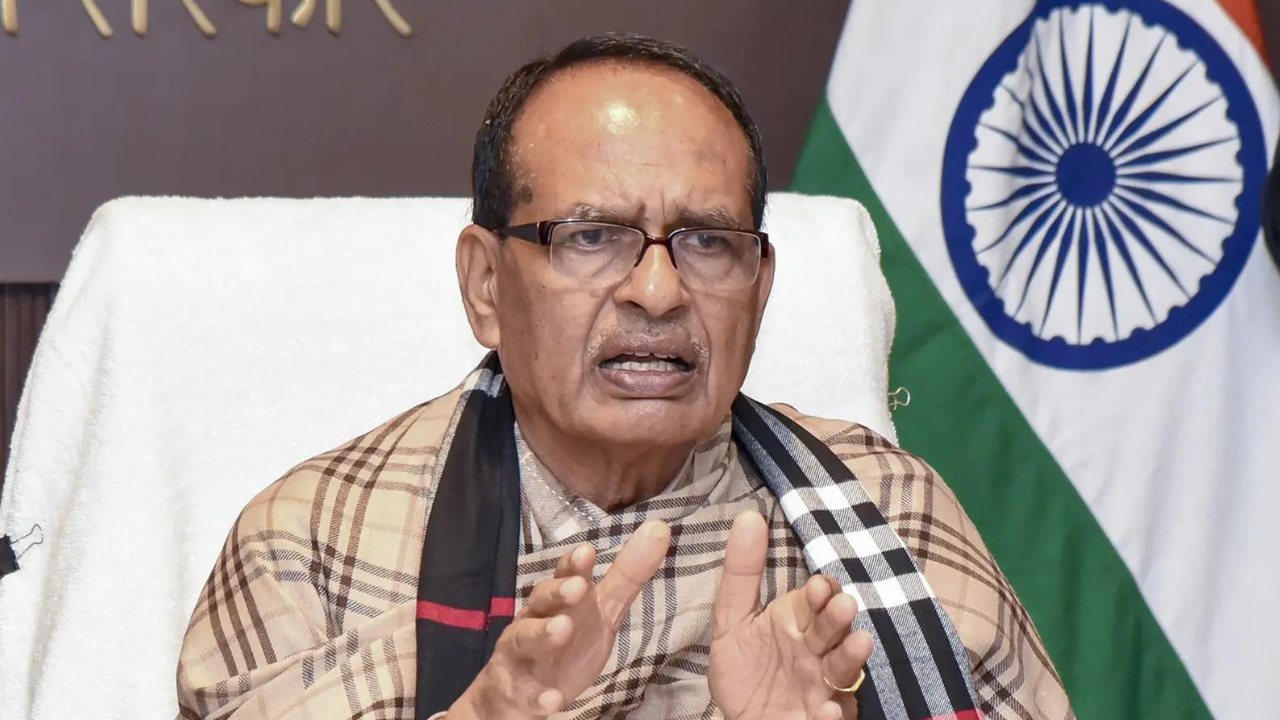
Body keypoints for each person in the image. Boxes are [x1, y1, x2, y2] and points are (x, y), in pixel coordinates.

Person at [176, 34, 1074, 720]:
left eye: (707, 242)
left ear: (759, 289)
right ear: (485, 286)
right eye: (593, 237)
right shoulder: (310, 544)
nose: (658, 291)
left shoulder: (888, 515)